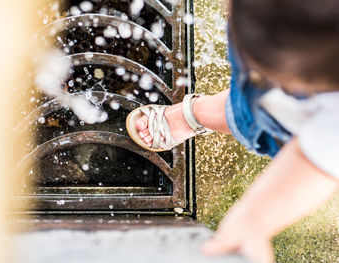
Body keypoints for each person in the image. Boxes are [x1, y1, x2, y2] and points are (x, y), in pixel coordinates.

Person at [126, 0, 339, 262]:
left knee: (254, 115)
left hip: (290, 121)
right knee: (248, 93)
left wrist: (254, 218)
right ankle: (204, 109)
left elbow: (315, 164)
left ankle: (195, 115)